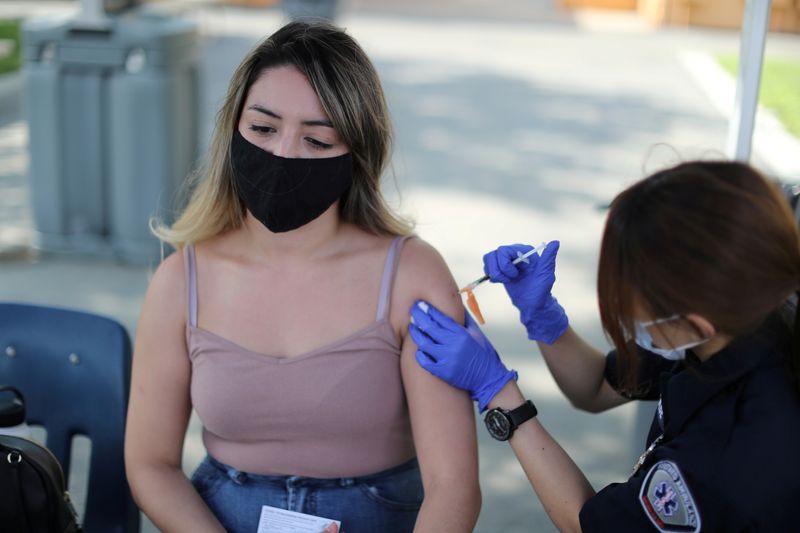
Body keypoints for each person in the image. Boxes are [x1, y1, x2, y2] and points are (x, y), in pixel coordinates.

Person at [124, 21, 480, 533]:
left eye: (317, 139)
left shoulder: (412, 275)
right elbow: (150, 465)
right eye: (263, 129)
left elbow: (454, 489)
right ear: (232, 129)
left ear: (357, 153)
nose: (284, 154)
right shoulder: (180, 280)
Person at [409, 160, 800, 532]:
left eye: (632, 295)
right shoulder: (734, 321)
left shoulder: (732, 450)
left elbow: (584, 523)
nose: (625, 305)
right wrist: (542, 316)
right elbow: (596, 388)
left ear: (693, 322)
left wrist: (499, 394)